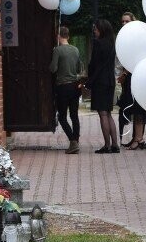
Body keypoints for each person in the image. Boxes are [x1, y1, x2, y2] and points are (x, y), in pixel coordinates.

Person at [86, 19, 119, 153]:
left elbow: (95, 65)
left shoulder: (98, 44)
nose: (95, 31)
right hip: (110, 81)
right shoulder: (112, 44)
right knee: (109, 113)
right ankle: (115, 145)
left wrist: (90, 81)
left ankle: (106, 145)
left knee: (103, 114)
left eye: (96, 29)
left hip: (100, 82)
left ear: (102, 30)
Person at [116, 12, 146, 149]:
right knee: (133, 108)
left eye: (127, 21)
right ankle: (136, 137)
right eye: (122, 21)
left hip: (137, 77)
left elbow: (138, 57)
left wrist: (125, 72)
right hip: (128, 78)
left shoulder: (137, 38)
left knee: (139, 109)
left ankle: (138, 138)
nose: (124, 24)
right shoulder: (123, 38)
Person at [49, 26, 84, 154]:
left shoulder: (57, 50)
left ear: (58, 36)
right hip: (74, 86)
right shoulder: (75, 49)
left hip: (62, 87)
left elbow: (53, 68)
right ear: (68, 36)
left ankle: (72, 141)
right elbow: (79, 68)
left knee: (62, 117)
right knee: (74, 115)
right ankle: (76, 140)